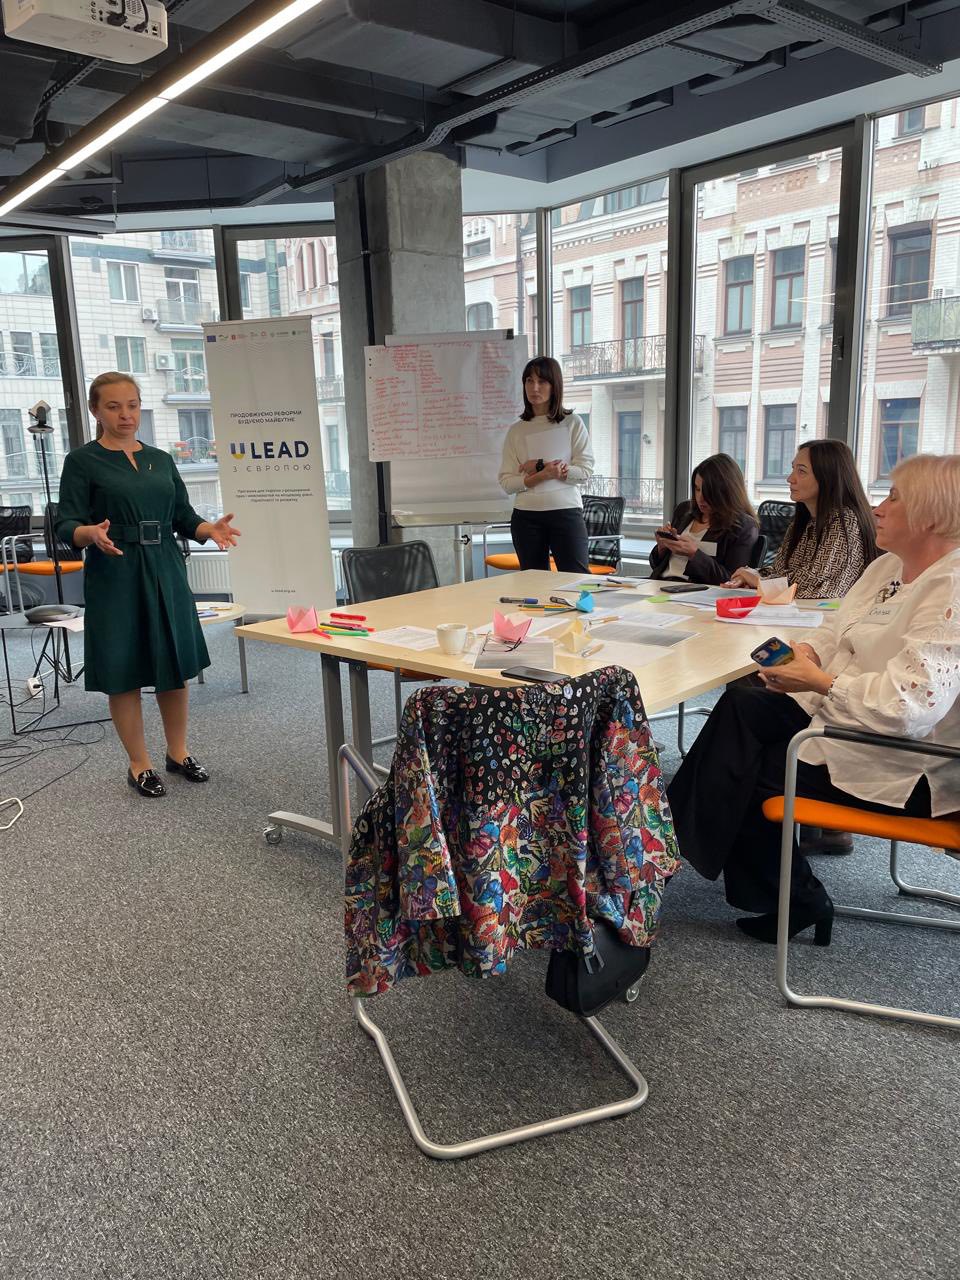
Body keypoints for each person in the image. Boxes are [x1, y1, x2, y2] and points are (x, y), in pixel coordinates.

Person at [667, 453, 960, 945]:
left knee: (744, 769)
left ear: (931, 515)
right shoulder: (888, 567)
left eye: (894, 498)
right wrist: (806, 653)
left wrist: (819, 682)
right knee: (742, 707)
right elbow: (835, 628)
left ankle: (666, 857)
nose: (879, 508)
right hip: (847, 722)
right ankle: (662, 848)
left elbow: (906, 709)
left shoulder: (951, 589)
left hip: (908, 765)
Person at [56, 372, 241, 798]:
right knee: (123, 668)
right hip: (115, 570)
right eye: (114, 406)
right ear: (95, 411)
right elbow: (66, 524)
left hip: (165, 567)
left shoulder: (160, 458)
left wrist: (208, 529)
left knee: (172, 663)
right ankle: (139, 763)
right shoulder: (82, 461)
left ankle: (178, 752)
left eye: (133, 405)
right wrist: (90, 534)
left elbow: (182, 515)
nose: (126, 414)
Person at [727, 439, 878, 599]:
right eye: (793, 469)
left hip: (824, 612)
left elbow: (811, 584)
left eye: (802, 471)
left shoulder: (844, 521)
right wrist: (751, 574)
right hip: (793, 610)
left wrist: (759, 581)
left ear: (827, 477)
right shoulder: (803, 523)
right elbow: (781, 572)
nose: (790, 478)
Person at [498, 356, 595, 573]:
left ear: (554, 385)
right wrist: (542, 475)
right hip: (526, 517)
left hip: (566, 513)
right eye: (529, 381)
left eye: (542, 381)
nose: (534, 388)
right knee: (533, 584)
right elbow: (507, 483)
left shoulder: (572, 423)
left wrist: (543, 466)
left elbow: (585, 471)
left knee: (577, 579)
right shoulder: (516, 430)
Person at [649, 453, 758, 584]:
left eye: (708, 491)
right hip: (660, 585)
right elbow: (656, 566)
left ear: (726, 491)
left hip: (694, 592)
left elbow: (732, 580)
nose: (700, 498)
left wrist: (694, 554)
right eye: (697, 489)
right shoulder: (684, 510)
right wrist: (662, 548)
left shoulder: (744, 526)